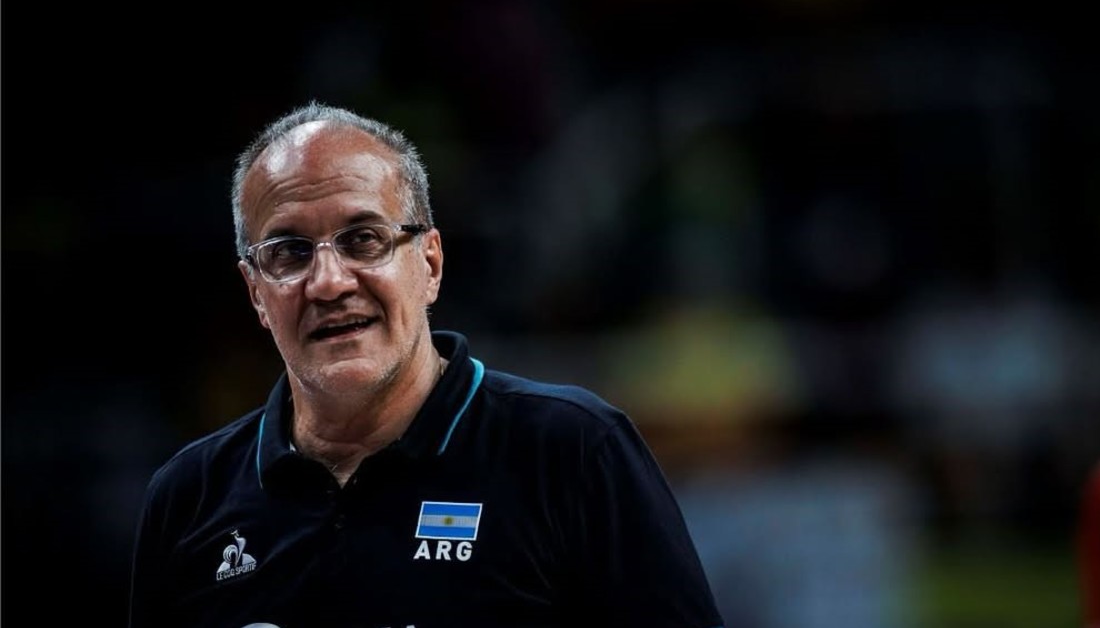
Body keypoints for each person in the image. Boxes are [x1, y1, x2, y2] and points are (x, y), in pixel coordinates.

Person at [127, 101, 725, 628]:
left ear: (430, 264)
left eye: (364, 239)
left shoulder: (572, 451)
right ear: (256, 293)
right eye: (289, 253)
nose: (329, 282)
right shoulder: (189, 498)